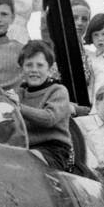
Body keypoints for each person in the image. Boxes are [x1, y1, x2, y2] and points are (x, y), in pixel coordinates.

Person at [16, 40, 74, 172]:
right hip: (25, 148)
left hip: (54, 150)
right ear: (21, 69)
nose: (34, 70)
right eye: (29, 65)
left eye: (40, 65)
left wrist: (19, 108)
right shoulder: (18, 94)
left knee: (27, 160)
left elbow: (49, 118)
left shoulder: (58, 91)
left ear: (50, 68)